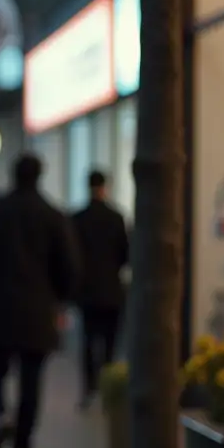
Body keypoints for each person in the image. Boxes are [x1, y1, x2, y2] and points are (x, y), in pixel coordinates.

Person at [0, 153, 80, 448]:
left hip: (0, 308)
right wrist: (61, 301)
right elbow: (69, 265)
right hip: (38, 310)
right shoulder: (53, 215)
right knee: (32, 381)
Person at [72, 169, 130, 407]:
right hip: (111, 290)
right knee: (109, 342)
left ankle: (88, 388)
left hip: (86, 291)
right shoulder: (116, 217)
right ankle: (107, 390)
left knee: (87, 340)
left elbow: (71, 256)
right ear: (105, 187)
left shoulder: (78, 218)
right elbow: (125, 255)